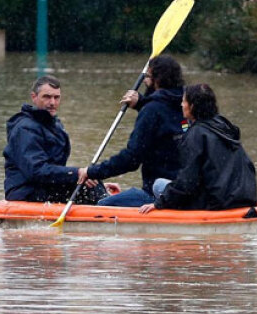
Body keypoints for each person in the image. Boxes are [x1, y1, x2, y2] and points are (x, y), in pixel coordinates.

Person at [78, 55, 187, 207]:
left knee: (102, 205)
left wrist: (93, 172)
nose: (145, 81)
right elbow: (168, 124)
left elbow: (131, 159)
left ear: (158, 80)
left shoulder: (152, 111)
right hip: (184, 189)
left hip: (156, 194)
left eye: (147, 77)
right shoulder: (186, 105)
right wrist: (142, 103)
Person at [141, 83, 257, 213]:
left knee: (158, 184)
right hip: (244, 198)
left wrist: (160, 203)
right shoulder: (225, 127)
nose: (181, 105)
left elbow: (187, 181)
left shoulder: (195, 135)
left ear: (192, 106)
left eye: (184, 101)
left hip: (215, 203)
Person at [3, 75, 107, 204]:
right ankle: (108, 208)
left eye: (56, 97)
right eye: (47, 97)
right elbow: (37, 171)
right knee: (89, 185)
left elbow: (55, 170)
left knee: (93, 181)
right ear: (34, 97)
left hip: (46, 187)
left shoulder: (54, 125)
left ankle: (108, 201)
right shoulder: (25, 129)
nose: (52, 102)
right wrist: (77, 173)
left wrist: (95, 183)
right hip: (26, 192)